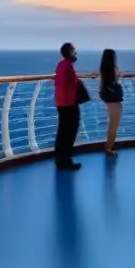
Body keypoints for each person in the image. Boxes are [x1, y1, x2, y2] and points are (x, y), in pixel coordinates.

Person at [54, 42, 82, 171]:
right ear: (69, 52)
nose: (75, 53)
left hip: (60, 103)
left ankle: (60, 159)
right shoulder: (68, 66)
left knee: (62, 132)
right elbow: (74, 82)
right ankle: (66, 160)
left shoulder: (60, 65)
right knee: (70, 132)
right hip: (69, 103)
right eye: (74, 51)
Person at [98, 48, 124, 156]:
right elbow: (116, 82)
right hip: (115, 100)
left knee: (111, 123)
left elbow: (102, 84)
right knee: (115, 124)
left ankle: (108, 145)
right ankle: (109, 147)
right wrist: (119, 76)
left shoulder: (103, 69)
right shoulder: (113, 69)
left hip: (108, 99)